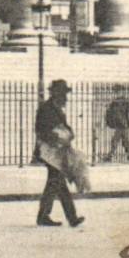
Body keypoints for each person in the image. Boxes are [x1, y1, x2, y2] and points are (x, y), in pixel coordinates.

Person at [34, 79, 83, 228]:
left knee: (57, 183)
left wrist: (69, 133)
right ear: (56, 94)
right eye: (63, 94)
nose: (66, 98)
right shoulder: (46, 108)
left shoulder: (56, 108)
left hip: (57, 151)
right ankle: (67, 217)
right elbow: (41, 130)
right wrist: (55, 137)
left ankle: (52, 216)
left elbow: (64, 126)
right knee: (56, 182)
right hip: (49, 151)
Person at [102, 88, 129, 163]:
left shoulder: (125, 101)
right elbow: (110, 112)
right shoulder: (114, 102)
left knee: (116, 140)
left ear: (122, 92)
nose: (117, 93)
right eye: (116, 92)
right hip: (117, 124)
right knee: (124, 141)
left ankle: (110, 156)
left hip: (123, 124)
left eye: (119, 92)